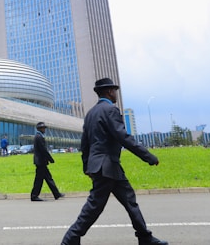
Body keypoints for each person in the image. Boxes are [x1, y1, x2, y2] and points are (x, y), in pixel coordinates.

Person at [61, 78, 167, 245]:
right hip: (106, 167)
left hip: (107, 167)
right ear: (109, 91)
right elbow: (123, 137)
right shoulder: (110, 110)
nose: (116, 93)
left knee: (129, 200)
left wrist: (87, 167)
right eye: (115, 91)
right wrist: (148, 156)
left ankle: (145, 237)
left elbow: (85, 144)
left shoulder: (90, 114)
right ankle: (70, 239)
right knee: (94, 206)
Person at [30, 122, 64, 201]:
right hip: (40, 162)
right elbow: (43, 150)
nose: (44, 129)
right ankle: (34, 196)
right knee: (40, 180)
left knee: (48, 178)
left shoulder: (39, 136)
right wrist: (50, 158)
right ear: (39, 129)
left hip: (41, 162)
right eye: (43, 128)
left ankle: (56, 194)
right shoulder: (39, 137)